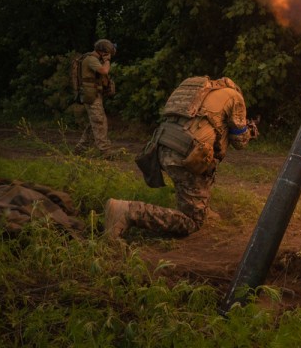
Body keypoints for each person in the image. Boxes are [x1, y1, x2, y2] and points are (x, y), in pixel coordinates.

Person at [104, 76, 257, 238]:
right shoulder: (235, 97)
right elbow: (240, 142)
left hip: (162, 146)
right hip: (187, 155)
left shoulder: (197, 89)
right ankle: (128, 212)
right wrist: (249, 131)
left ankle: (201, 207)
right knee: (193, 222)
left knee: (200, 169)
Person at [74, 39, 117, 158]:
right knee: (99, 122)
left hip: (94, 95)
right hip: (91, 96)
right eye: (108, 53)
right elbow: (104, 70)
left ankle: (80, 149)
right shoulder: (91, 59)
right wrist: (107, 61)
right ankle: (105, 151)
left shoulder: (93, 58)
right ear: (103, 52)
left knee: (95, 122)